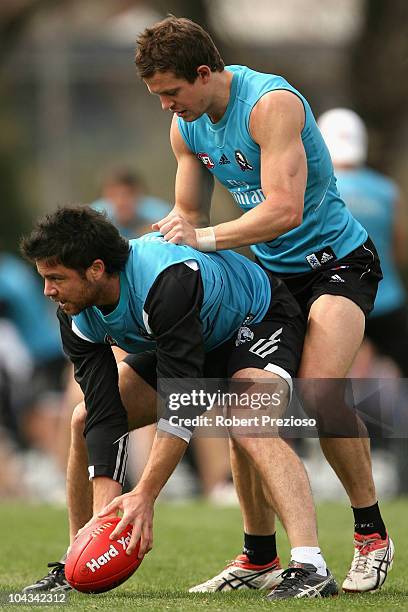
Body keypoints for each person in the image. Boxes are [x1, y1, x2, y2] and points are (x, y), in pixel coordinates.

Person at [134, 16, 393, 594]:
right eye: (157, 96)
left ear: (204, 74)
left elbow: (284, 212)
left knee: (321, 393)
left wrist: (200, 238)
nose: (166, 106)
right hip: (268, 280)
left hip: (337, 266)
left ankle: (372, 536)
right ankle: (258, 558)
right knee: (243, 395)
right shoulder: (187, 127)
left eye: (172, 92)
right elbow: (190, 218)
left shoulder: (270, 105)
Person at [20, 206, 337, 600]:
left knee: (248, 422)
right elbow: (105, 415)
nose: (48, 291)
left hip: (258, 317)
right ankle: (75, 560)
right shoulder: (74, 314)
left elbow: (183, 404)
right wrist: (103, 525)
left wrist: (146, 493)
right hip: (195, 338)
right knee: (82, 417)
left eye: (55, 279)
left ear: (96, 269)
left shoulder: (166, 282)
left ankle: (311, 566)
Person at [318, 108, 408, 377]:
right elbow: (400, 250)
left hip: (336, 303)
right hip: (387, 300)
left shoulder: (318, 190)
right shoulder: (387, 190)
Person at [91, 168, 171, 238]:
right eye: (113, 195)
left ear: (140, 194)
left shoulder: (161, 215)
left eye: (128, 194)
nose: (121, 201)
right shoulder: (94, 217)